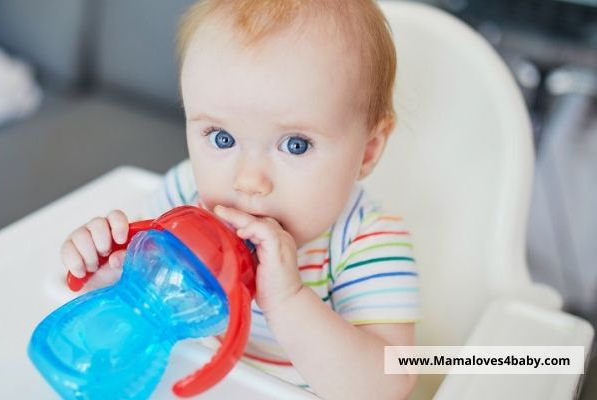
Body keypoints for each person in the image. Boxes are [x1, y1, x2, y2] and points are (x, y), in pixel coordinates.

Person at [60, 1, 419, 398]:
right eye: (222, 138)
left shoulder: (366, 243)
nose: (248, 182)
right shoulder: (184, 197)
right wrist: (109, 277)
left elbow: (390, 385)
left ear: (367, 152)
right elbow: (143, 310)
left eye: (296, 145)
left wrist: (288, 300)